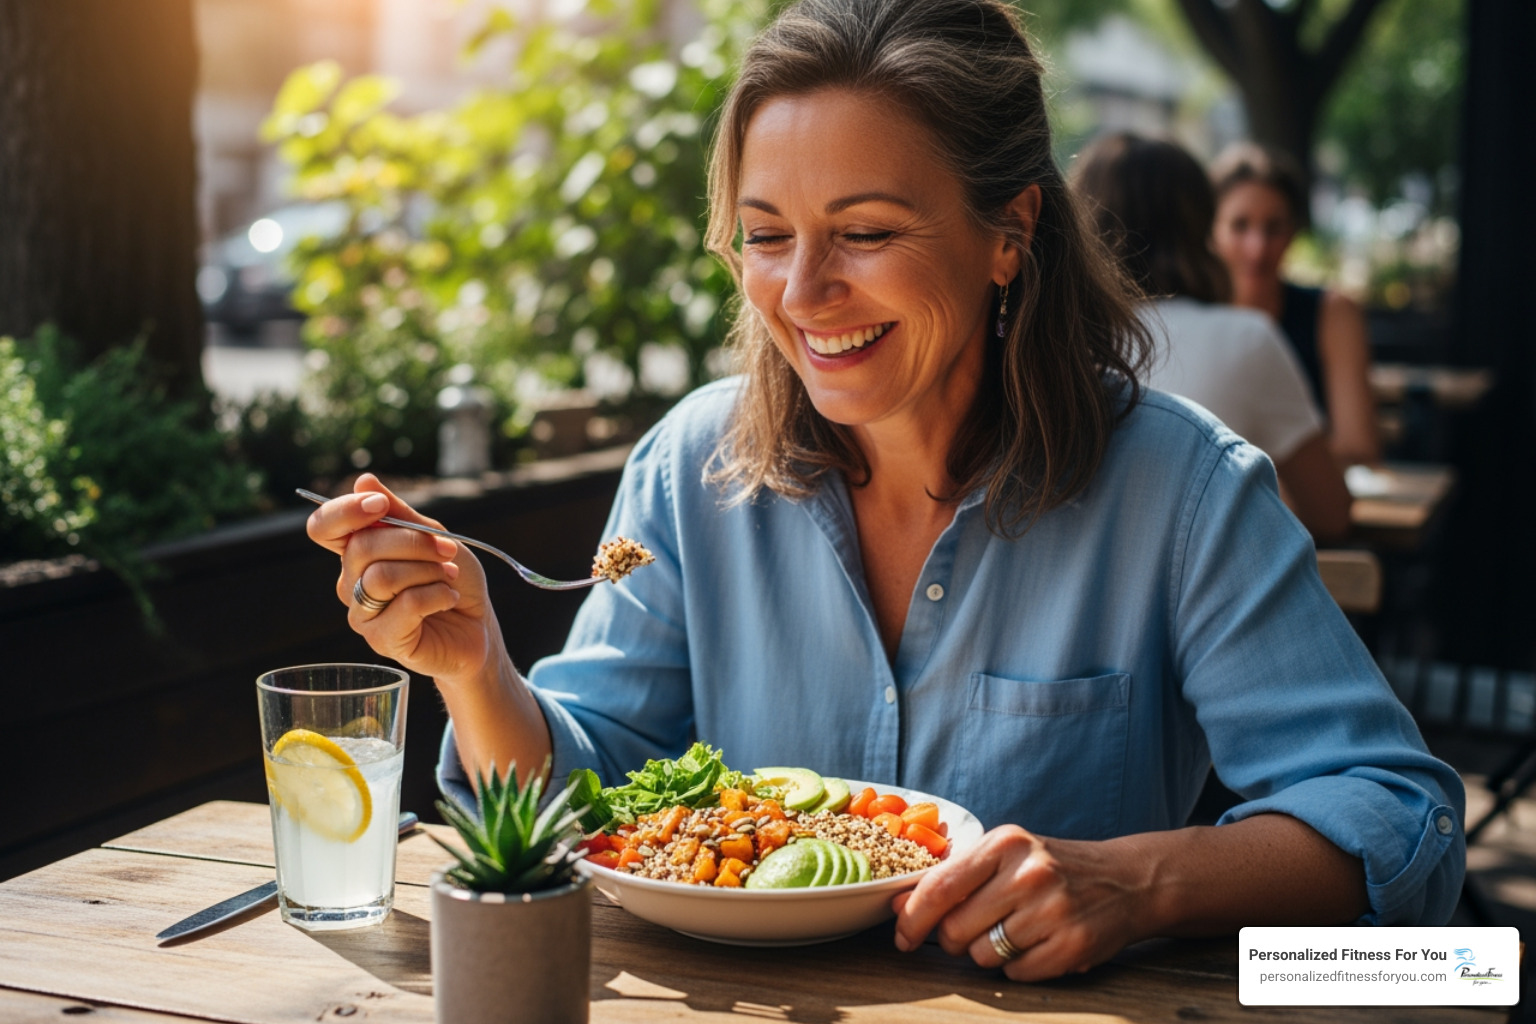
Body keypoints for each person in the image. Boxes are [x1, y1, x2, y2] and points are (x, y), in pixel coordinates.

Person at [306, 0, 1463, 983]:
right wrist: (475, 668)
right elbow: (582, 798)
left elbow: (1401, 820)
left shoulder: (1182, 490)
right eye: (766, 235)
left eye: (861, 231)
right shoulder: (688, 469)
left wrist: (1139, 881)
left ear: (1010, 232)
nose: (804, 292)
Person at [1070, 132, 1352, 542]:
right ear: (1203, 225)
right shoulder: (1247, 339)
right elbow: (1331, 513)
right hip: (1197, 601)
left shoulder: (1047, 343)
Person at [1210, 142, 1382, 467]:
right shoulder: (1189, 317)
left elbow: (1358, 448)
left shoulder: (1334, 314)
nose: (1258, 248)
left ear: (1293, 232)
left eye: (1274, 228)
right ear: (1211, 231)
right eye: (1240, 225)